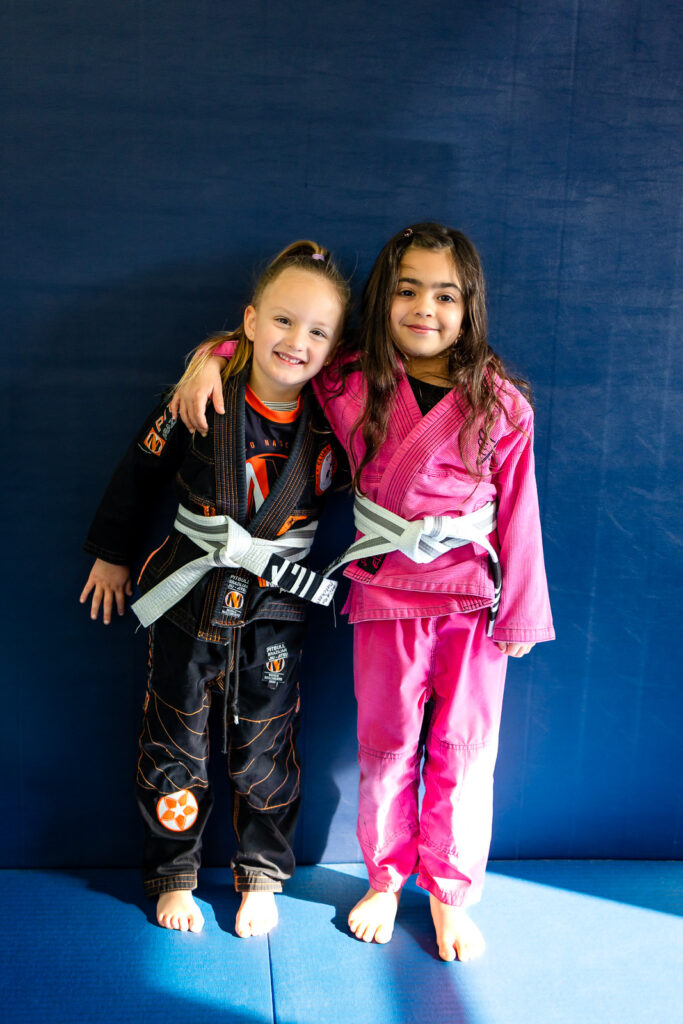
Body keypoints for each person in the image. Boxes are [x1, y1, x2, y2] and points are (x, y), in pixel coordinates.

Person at [171, 222, 555, 961]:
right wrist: (210, 357)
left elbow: (520, 513)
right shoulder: (347, 381)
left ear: (469, 307)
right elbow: (284, 350)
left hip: (472, 598)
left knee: (464, 750)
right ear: (381, 299)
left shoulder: (502, 405)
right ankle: (384, 876)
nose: (424, 309)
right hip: (383, 592)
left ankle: (447, 892)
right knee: (384, 746)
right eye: (406, 289)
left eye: (445, 295)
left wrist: (522, 612)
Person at [80, 240, 349, 936]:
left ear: (335, 348)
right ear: (250, 322)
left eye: (318, 332)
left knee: (265, 745)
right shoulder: (201, 395)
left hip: (276, 613)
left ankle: (260, 875)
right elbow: (137, 472)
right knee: (174, 736)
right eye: (283, 322)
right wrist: (111, 553)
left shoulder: (338, 423)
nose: (297, 341)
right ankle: (174, 871)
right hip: (186, 597)